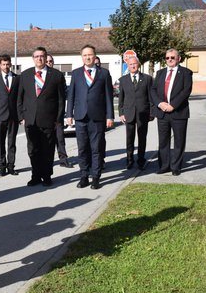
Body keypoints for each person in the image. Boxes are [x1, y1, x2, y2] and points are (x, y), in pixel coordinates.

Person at [66, 44, 114, 189]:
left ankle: (96, 177)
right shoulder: (75, 73)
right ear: (82, 57)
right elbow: (71, 95)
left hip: (97, 117)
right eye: (85, 55)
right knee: (82, 148)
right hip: (80, 117)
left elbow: (108, 97)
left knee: (96, 148)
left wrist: (110, 116)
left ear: (95, 56)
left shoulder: (104, 73)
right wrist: (69, 114)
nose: (88, 57)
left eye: (90, 54)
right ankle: (84, 176)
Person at [17, 47, 66, 187]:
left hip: (49, 120)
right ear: (33, 58)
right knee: (33, 150)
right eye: (37, 56)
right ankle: (35, 175)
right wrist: (21, 116)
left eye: (42, 56)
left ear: (46, 58)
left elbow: (61, 100)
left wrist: (58, 118)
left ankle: (47, 175)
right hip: (30, 120)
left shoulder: (56, 75)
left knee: (47, 149)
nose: (39, 58)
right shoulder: (25, 75)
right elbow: (19, 98)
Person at [150, 48, 193, 175]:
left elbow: (186, 91)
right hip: (162, 113)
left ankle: (176, 167)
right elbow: (153, 90)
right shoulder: (160, 73)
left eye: (172, 57)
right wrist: (160, 103)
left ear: (179, 58)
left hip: (178, 113)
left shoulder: (186, 73)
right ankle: (164, 166)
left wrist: (173, 105)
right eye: (167, 58)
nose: (169, 60)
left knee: (179, 141)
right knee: (163, 141)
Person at [118, 55, 153, 170]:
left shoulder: (147, 79)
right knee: (130, 138)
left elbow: (150, 97)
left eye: (134, 64)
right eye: (130, 64)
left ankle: (141, 160)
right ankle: (129, 159)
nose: (133, 66)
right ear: (127, 66)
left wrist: (151, 112)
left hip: (143, 113)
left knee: (142, 138)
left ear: (138, 65)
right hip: (129, 113)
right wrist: (121, 113)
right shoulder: (123, 80)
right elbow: (121, 98)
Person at [0, 54, 20, 176]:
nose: (6, 66)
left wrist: (21, 116)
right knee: (1, 143)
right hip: (0, 117)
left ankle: (11, 166)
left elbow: (19, 99)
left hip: (14, 116)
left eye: (7, 64)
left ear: (10, 65)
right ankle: (2, 166)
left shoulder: (17, 79)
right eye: (3, 64)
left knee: (11, 143)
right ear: (0, 65)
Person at [46, 54, 73, 169]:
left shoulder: (58, 76)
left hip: (57, 113)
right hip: (44, 114)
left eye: (50, 61)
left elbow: (64, 94)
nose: (49, 63)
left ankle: (63, 159)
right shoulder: (38, 76)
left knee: (60, 138)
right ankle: (47, 161)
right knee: (47, 140)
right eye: (47, 61)